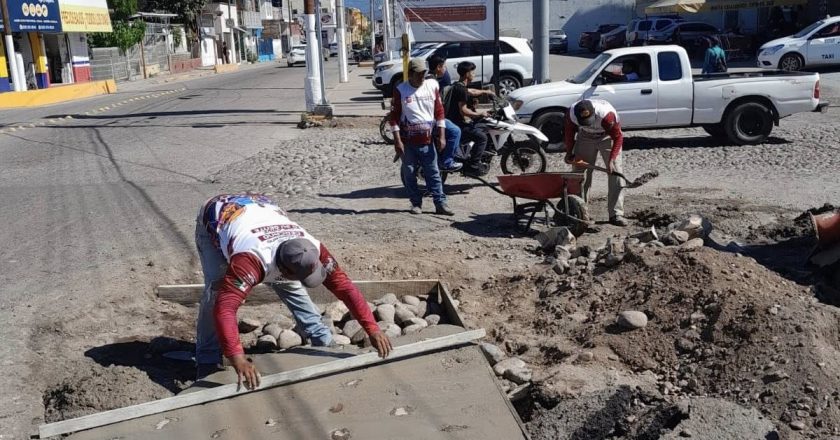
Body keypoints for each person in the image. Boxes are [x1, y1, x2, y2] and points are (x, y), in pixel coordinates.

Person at [195, 193, 393, 388]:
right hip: (219, 216)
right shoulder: (250, 260)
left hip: (260, 209)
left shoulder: (311, 248)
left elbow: (345, 287)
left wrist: (372, 329)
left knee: (290, 285)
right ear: (283, 268)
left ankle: (321, 339)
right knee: (216, 294)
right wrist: (237, 357)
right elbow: (226, 308)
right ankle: (207, 360)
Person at [390, 58, 454, 216]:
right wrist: (397, 141)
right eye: (418, 74)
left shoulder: (432, 86)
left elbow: (439, 112)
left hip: (427, 140)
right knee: (409, 172)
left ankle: (440, 203)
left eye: (424, 74)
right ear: (410, 74)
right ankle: (415, 203)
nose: (422, 77)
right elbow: (394, 118)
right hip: (408, 141)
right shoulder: (401, 90)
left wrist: (442, 135)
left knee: (433, 172)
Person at [563, 99, 628, 227]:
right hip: (585, 137)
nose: (587, 123)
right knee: (579, 173)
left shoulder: (607, 116)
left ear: (594, 113)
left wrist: (612, 159)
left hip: (606, 136)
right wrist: (569, 152)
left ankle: (616, 213)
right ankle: (580, 212)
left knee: (616, 173)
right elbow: (569, 133)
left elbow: (618, 137)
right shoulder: (570, 114)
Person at [445, 61, 496, 176]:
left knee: (482, 127)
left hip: (454, 122)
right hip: (457, 125)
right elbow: (464, 110)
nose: (474, 74)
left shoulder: (458, 85)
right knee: (482, 137)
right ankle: (473, 165)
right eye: (473, 72)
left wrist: (486, 92)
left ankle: (470, 154)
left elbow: (472, 91)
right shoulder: (461, 89)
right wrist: (480, 114)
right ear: (467, 73)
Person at [427, 55, 462, 172]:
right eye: (444, 67)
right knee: (455, 131)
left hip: (427, 117)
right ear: (438, 67)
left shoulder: (428, 78)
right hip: (430, 119)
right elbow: (436, 105)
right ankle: (447, 162)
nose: (445, 70)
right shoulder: (433, 82)